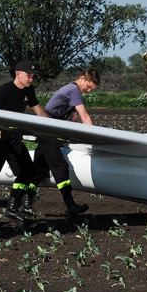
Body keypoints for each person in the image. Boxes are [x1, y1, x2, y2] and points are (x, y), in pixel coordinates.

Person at [0, 59, 49, 228]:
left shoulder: (29, 91)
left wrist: (54, 127)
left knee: (28, 170)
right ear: (18, 74)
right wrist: (0, 129)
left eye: (33, 75)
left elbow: (38, 110)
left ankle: (12, 207)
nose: (31, 78)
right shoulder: (2, 92)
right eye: (28, 75)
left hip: (12, 138)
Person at [24, 68, 101, 219]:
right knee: (60, 167)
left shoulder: (74, 91)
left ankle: (25, 204)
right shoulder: (73, 90)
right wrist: (96, 138)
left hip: (49, 129)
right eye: (89, 86)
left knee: (39, 169)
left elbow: (73, 120)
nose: (89, 90)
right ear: (82, 79)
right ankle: (70, 205)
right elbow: (84, 115)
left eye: (92, 89)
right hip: (48, 128)